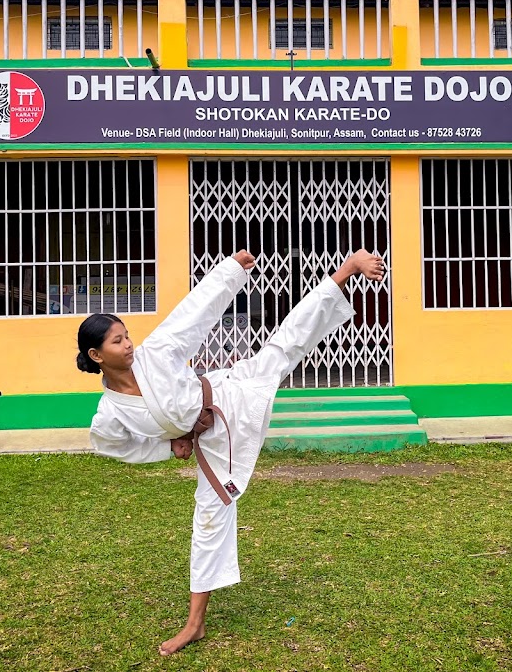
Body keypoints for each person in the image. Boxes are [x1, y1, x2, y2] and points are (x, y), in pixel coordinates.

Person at [76, 249, 386, 656]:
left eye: (127, 335)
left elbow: (194, 312)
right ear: (97, 356)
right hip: (212, 444)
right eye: (118, 341)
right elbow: (115, 445)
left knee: (284, 346)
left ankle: (346, 269)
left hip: (228, 394)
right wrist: (169, 445)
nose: (130, 344)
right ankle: (195, 623)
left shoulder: (155, 355)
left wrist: (229, 272)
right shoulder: (110, 414)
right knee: (208, 520)